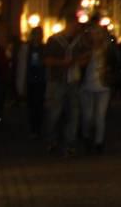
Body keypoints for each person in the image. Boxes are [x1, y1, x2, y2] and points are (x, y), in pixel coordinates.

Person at [42, 22, 83, 156]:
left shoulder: (79, 41)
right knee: (55, 112)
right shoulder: (54, 40)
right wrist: (63, 63)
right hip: (57, 81)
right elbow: (47, 60)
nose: (76, 28)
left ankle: (69, 142)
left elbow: (86, 56)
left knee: (73, 112)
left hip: (73, 81)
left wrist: (78, 62)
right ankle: (51, 140)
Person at [78, 24, 116, 154]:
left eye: (97, 34)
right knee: (88, 116)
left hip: (103, 85)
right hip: (87, 85)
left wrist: (109, 69)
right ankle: (87, 136)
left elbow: (115, 62)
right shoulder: (85, 48)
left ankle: (99, 142)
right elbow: (78, 64)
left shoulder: (107, 49)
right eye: (93, 34)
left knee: (100, 116)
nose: (95, 37)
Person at [18, 25, 47, 138]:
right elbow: (22, 66)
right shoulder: (27, 48)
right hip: (31, 80)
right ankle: (33, 128)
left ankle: (37, 128)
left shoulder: (43, 48)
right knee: (32, 106)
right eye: (36, 34)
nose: (38, 36)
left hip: (40, 80)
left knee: (39, 105)